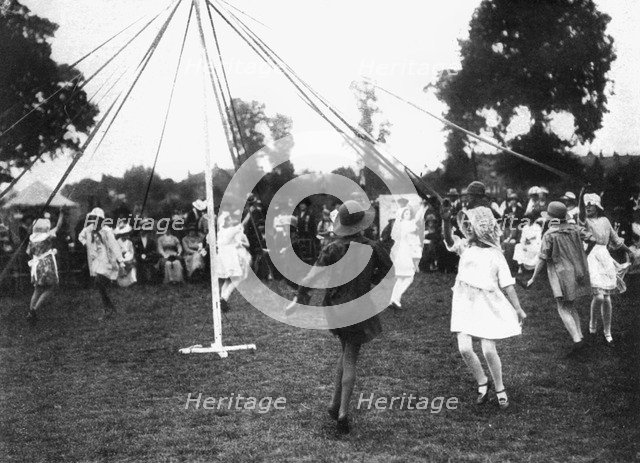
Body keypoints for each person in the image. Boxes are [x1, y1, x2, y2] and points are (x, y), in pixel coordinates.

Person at [286, 200, 394, 434]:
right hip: (359, 307)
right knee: (351, 357)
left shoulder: (332, 248)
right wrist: (370, 280)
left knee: (345, 353)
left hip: (335, 307)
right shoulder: (373, 247)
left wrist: (299, 298)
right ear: (362, 224)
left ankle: (335, 405)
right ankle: (343, 413)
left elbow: (312, 277)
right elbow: (387, 272)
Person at [442, 204, 526, 409]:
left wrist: (518, 308)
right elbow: (449, 240)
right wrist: (445, 220)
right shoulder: (465, 247)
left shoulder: (496, 255)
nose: (468, 228)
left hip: (488, 303)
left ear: (483, 228)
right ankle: (482, 381)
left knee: (488, 349)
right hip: (464, 300)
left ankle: (499, 387)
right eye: (466, 224)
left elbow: (507, 283)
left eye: (472, 224)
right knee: (464, 348)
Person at [527, 202, 595, 354]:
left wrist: (533, 278)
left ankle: (577, 340)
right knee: (570, 305)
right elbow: (593, 239)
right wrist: (584, 254)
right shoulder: (575, 229)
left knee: (562, 307)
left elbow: (542, 259)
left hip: (560, 273)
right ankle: (581, 336)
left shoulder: (550, 234)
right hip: (577, 271)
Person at [580, 193, 634, 347]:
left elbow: (616, 240)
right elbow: (581, 215)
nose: (588, 207)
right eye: (586, 205)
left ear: (597, 206)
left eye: (591, 205)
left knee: (607, 298)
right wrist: (581, 194)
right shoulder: (585, 222)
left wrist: (629, 251)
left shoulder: (605, 221)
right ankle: (592, 323)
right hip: (592, 257)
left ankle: (607, 332)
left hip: (605, 258)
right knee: (598, 297)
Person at [78, 208, 126, 319]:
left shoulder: (106, 230)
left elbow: (114, 246)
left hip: (106, 258)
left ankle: (108, 308)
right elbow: (80, 236)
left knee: (99, 281)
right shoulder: (88, 229)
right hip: (95, 258)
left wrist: (121, 262)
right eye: (92, 218)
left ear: (100, 220)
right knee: (99, 284)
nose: (94, 220)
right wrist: (86, 244)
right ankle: (109, 307)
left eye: (96, 218)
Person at [25, 211, 65, 323]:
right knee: (51, 287)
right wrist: (61, 214)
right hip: (46, 264)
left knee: (37, 289)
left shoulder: (31, 239)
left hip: (36, 265)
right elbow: (58, 226)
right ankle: (34, 310)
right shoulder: (47, 237)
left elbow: (29, 252)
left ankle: (30, 313)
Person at [389, 200, 428, 309]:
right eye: (406, 213)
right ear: (402, 215)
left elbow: (417, 220)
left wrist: (422, 208)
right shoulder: (405, 224)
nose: (408, 215)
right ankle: (395, 299)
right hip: (404, 252)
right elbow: (418, 220)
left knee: (401, 278)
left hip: (401, 252)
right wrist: (422, 208)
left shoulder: (402, 224)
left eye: (409, 213)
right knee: (409, 277)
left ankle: (393, 299)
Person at [214, 210, 252, 312]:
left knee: (228, 279)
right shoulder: (231, 230)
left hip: (222, 257)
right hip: (230, 256)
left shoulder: (221, 230)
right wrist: (249, 214)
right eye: (229, 219)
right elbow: (243, 224)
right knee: (237, 279)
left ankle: (222, 301)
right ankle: (224, 298)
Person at [115, 223, 137, 287]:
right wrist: (121, 259)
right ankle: (122, 283)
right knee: (121, 266)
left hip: (129, 258)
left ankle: (132, 281)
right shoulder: (117, 242)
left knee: (132, 266)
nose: (125, 235)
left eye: (126, 234)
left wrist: (129, 258)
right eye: (123, 234)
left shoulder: (130, 242)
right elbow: (116, 252)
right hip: (120, 259)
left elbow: (131, 252)